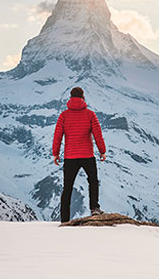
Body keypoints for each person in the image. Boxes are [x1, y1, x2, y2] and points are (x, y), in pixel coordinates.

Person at [52, 86, 106, 222]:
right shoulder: (90, 114)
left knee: (67, 187)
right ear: (83, 97)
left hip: (70, 157)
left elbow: (57, 136)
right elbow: (97, 134)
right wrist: (102, 151)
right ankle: (94, 208)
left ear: (70, 98)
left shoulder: (63, 115)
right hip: (87, 155)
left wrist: (56, 154)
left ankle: (64, 219)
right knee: (93, 181)